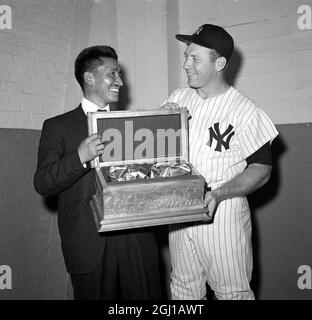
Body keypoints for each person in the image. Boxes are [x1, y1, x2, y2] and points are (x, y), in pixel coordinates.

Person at [34, 46, 161, 300]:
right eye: (112, 74)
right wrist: (79, 158)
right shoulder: (57, 126)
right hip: (89, 247)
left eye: (120, 74)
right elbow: (43, 183)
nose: (121, 82)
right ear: (89, 78)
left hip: (135, 242)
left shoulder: (134, 124)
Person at [165, 24, 278, 300]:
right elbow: (162, 154)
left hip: (223, 211)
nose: (186, 65)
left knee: (232, 294)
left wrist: (220, 193)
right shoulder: (178, 98)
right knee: (183, 291)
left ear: (220, 63)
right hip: (181, 208)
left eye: (194, 58)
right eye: (186, 56)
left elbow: (261, 170)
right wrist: (161, 123)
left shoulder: (244, 109)